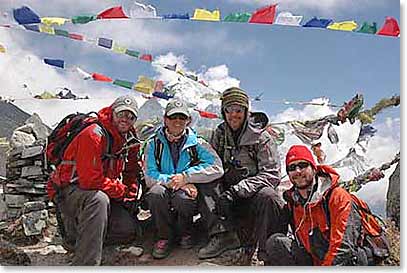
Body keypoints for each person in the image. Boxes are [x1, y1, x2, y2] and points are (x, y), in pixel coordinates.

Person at [46, 95, 142, 265]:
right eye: (121, 114)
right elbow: (89, 180)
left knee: (128, 230)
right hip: (71, 189)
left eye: (131, 116)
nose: (125, 119)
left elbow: (132, 169)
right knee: (99, 200)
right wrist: (120, 190)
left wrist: (130, 194)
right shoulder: (93, 134)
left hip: (99, 187)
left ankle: (85, 238)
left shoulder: (129, 138)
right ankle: (85, 262)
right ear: (112, 112)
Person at [198, 87, 286, 261]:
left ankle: (266, 251)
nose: (234, 115)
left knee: (269, 195)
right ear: (224, 112)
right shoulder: (220, 134)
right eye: (229, 110)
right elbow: (211, 163)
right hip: (227, 193)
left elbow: (272, 174)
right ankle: (222, 235)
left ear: (246, 111)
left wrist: (237, 190)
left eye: (238, 110)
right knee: (206, 180)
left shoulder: (262, 137)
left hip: (251, 195)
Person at [143, 98, 224, 259]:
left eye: (182, 117)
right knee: (155, 193)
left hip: (186, 189)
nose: (177, 121)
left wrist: (187, 177)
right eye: (173, 117)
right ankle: (164, 236)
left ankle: (185, 232)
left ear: (189, 120)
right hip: (164, 187)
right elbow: (150, 176)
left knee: (184, 198)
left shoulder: (198, 143)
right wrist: (177, 181)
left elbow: (216, 167)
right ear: (165, 119)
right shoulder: (153, 144)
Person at [265, 145, 372, 266]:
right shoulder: (292, 204)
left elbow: (343, 246)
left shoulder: (337, 197)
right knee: (276, 242)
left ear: (314, 168)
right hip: (316, 260)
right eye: (292, 167)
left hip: (344, 261)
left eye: (303, 165)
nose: (298, 171)